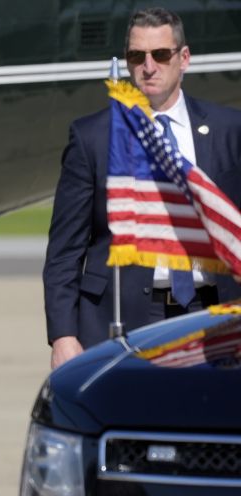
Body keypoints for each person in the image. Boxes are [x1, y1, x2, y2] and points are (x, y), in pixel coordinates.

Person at [43, 7, 241, 369]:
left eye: (160, 54)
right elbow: (64, 252)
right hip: (125, 318)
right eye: (137, 56)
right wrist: (63, 336)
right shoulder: (93, 137)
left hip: (215, 316)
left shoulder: (230, 129)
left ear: (184, 58)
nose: (148, 67)